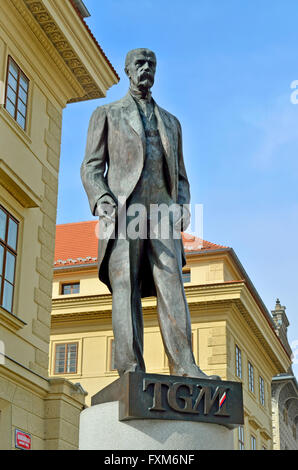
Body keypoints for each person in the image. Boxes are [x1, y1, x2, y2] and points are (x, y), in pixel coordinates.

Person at [81, 48, 218, 380]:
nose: (145, 69)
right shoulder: (107, 114)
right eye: (139, 64)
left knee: (173, 286)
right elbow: (91, 167)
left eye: (151, 64)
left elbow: (181, 175)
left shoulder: (171, 122)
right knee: (126, 286)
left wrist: (182, 204)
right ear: (128, 70)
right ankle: (130, 369)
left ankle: (185, 366)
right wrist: (101, 200)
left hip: (162, 213)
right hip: (125, 211)